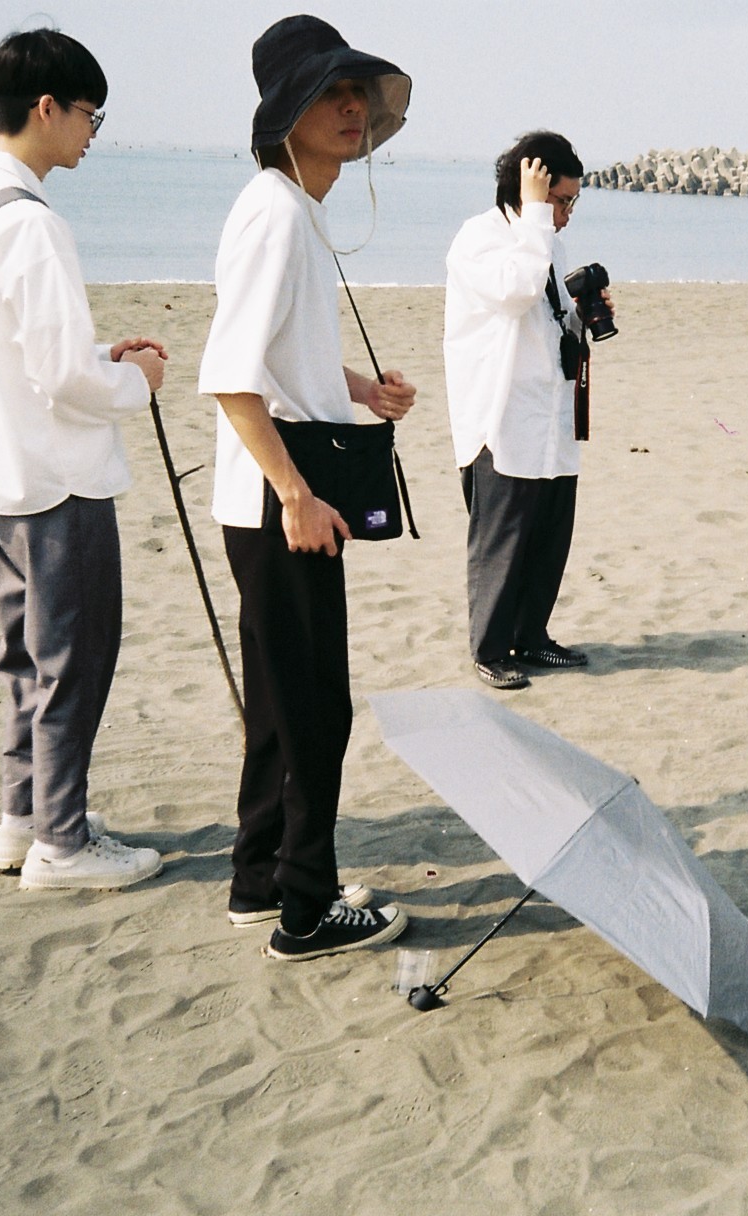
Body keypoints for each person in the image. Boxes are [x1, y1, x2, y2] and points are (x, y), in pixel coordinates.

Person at [0, 28, 167, 891]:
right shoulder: (32, 222)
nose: (94, 131)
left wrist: (74, 366)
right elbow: (59, 371)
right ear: (47, 108)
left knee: (27, 653)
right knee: (76, 656)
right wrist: (138, 382)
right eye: (91, 113)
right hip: (51, 476)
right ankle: (63, 841)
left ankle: (23, 817)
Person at [197, 14, 415, 960]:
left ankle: (260, 880)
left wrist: (364, 390)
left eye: (357, 90)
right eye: (331, 92)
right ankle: (306, 909)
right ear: (286, 113)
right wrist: (294, 494)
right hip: (279, 497)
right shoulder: (278, 214)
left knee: (287, 702)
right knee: (316, 703)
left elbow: (284, 361)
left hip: (277, 492)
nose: (353, 107)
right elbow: (230, 375)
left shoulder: (293, 209)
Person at [444, 131, 612, 690]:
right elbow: (515, 293)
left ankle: (533, 637)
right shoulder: (480, 238)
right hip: (501, 416)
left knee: (548, 535)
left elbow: (544, 318)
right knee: (501, 539)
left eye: (571, 203)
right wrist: (538, 214)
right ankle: (490, 649)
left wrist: (584, 315)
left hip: (549, 416)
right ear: (532, 185)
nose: (565, 215)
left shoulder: (547, 243)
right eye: (561, 200)